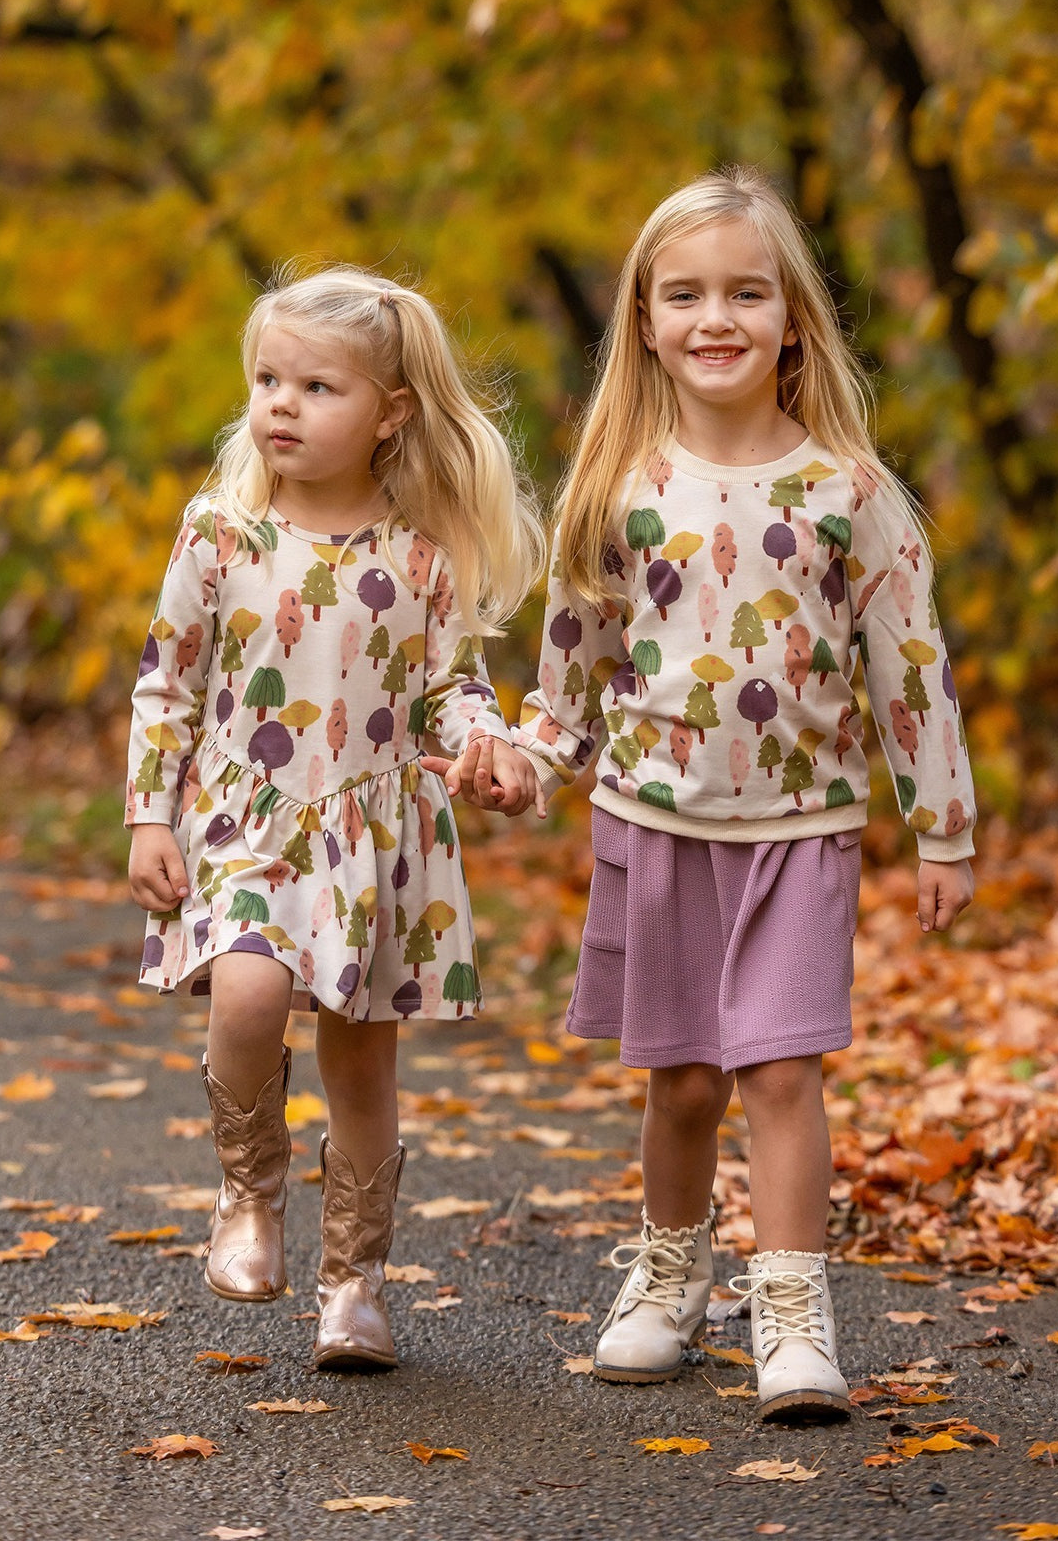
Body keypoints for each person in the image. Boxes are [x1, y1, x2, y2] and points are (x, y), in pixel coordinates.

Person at [439, 167, 976, 1421]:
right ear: (643, 318)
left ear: (796, 317)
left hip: (803, 828)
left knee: (783, 1071)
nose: (714, 317)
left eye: (746, 291)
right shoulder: (618, 492)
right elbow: (576, 672)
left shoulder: (853, 495)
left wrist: (943, 831)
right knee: (681, 1077)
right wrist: (525, 759)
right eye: (684, 294)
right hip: (655, 820)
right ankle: (669, 1278)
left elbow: (913, 672)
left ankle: (794, 1311)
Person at [126, 264, 543, 1372]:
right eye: (268, 379)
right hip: (248, 822)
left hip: (375, 834)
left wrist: (482, 750)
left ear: (390, 414)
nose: (281, 404)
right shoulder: (220, 534)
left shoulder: (421, 553)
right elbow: (165, 683)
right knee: (252, 990)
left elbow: (452, 688)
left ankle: (355, 1282)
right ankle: (250, 1190)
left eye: (317, 386)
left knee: (363, 1066)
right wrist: (148, 818)